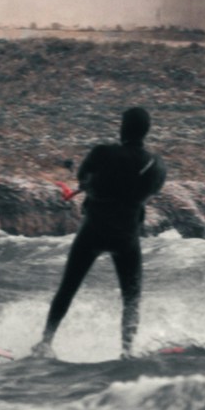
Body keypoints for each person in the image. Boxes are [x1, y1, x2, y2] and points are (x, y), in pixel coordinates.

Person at [32, 106, 166, 359]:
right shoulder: (156, 165)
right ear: (146, 131)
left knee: (67, 288)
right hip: (126, 237)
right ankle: (127, 351)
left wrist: (94, 185)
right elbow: (150, 192)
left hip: (93, 231)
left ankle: (45, 342)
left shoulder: (102, 152)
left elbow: (83, 179)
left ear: (122, 127)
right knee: (131, 299)